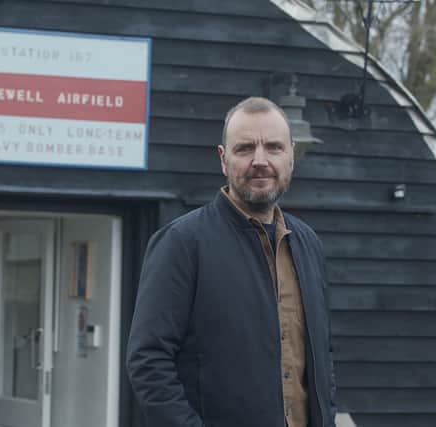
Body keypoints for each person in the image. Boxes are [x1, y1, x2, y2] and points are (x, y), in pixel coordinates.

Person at [127, 96, 336, 427]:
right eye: (244, 149)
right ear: (223, 160)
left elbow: (320, 359)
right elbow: (148, 361)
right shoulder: (182, 243)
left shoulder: (307, 243)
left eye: (273, 147)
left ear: (291, 156)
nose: (260, 160)